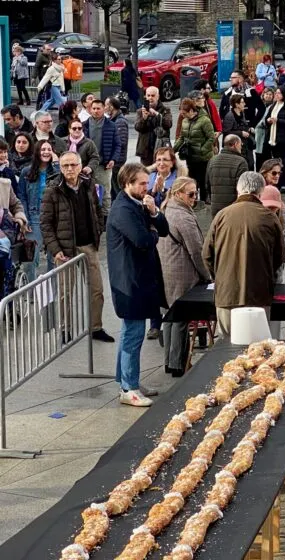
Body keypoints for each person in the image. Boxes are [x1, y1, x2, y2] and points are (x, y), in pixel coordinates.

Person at [107, 162, 168, 407]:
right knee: (133, 334)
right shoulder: (122, 209)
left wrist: (154, 214)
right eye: (142, 183)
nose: (147, 187)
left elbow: (163, 230)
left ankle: (126, 378)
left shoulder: (140, 203)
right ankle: (128, 388)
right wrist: (151, 231)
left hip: (139, 278)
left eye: (147, 182)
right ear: (127, 184)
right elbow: (144, 240)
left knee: (129, 333)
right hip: (129, 282)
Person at [40, 151, 114, 342]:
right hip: (65, 250)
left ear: (80, 166)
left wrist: (98, 230)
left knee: (97, 289)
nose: (69, 169)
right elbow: (46, 224)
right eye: (65, 166)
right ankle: (65, 330)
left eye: (73, 165)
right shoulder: (52, 190)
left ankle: (96, 327)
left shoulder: (89, 184)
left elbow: (97, 209)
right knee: (65, 292)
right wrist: (55, 250)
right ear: (60, 168)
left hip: (89, 245)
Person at [203, 172, 284, 335]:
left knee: (228, 347)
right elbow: (280, 256)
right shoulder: (269, 217)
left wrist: (219, 276)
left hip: (227, 294)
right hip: (259, 294)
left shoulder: (222, 215)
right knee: (257, 350)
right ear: (261, 192)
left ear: (238, 189)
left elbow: (207, 255)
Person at [158, 177, 210, 377]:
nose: (194, 198)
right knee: (180, 319)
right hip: (182, 272)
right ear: (178, 193)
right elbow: (196, 251)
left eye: (196, 193)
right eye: (191, 194)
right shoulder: (183, 216)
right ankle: (179, 364)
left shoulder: (166, 208)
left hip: (168, 268)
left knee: (170, 317)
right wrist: (207, 275)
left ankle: (169, 362)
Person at [19, 140, 58, 277]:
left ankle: (50, 294)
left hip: (53, 217)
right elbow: (22, 197)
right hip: (34, 217)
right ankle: (30, 293)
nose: (46, 152)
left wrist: (56, 163)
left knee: (53, 259)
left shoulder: (57, 171)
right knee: (30, 259)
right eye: (43, 149)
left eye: (49, 149)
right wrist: (25, 219)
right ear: (37, 152)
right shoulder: (26, 171)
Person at [174, 98, 215, 206]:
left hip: (203, 158)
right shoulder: (185, 121)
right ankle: (194, 203)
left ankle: (204, 203)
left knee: (203, 182)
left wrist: (202, 150)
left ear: (191, 111)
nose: (182, 115)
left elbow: (211, 138)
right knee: (192, 181)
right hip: (190, 157)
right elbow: (182, 137)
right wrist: (172, 150)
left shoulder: (205, 120)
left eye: (184, 113)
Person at [82, 99, 120, 214]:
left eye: (98, 108)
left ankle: (105, 216)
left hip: (104, 165)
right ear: (90, 109)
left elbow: (117, 144)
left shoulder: (111, 126)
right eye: (94, 108)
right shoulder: (84, 125)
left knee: (105, 193)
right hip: (87, 165)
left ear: (104, 109)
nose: (96, 111)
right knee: (87, 192)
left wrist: (113, 159)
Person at [258, 160, 285, 267]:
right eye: (274, 173)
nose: (277, 176)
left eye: (279, 173)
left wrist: (280, 256)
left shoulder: (282, 212)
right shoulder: (258, 191)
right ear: (265, 173)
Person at [259, 87, 285, 192]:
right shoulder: (273, 106)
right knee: (276, 163)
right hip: (273, 139)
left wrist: (278, 120)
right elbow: (266, 119)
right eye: (276, 93)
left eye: (279, 93)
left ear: (284, 94)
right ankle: (278, 183)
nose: (276, 95)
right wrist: (268, 120)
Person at [207, 134, 249, 217]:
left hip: (216, 208)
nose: (241, 147)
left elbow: (207, 184)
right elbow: (242, 188)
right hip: (233, 208)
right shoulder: (241, 162)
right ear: (235, 144)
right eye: (241, 144)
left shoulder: (212, 160)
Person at [135, 86, 173, 167]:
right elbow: (138, 127)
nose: (150, 98)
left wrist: (157, 114)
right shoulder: (140, 111)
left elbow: (168, 124)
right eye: (148, 95)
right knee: (147, 174)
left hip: (161, 148)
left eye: (153, 95)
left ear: (158, 96)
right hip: (146, 150)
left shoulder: (165, 110)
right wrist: (144, 119)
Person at [222, 93, 256, 170]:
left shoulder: (242, 113)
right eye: (242, 102)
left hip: (246, 145)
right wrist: (241, 133)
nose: (244, 104)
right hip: (237, 146)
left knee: (250, 164)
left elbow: (243, 126)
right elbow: (226, 132)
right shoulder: (229, 116)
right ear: (237, 104)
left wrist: (249, 129)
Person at [106, 96, 129, 200]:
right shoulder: (113, 120)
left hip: (117, 161)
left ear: (111, 107)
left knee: (116, 187)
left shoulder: (120, 121)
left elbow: (121, 142)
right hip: (114, 160)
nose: (105, 107)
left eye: (106, 105)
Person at [192, 80, 223, 149]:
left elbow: (216, 118)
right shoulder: (189, 106)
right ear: (202, 90)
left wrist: (218, 131)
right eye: (208, 88)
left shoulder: (209, 102)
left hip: (211, 139)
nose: (211, 90)